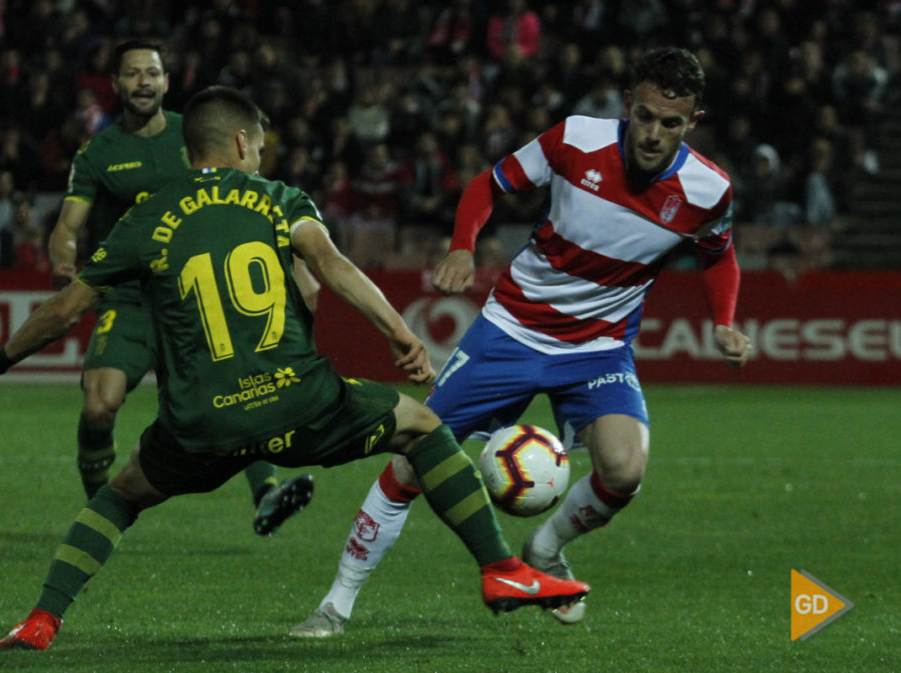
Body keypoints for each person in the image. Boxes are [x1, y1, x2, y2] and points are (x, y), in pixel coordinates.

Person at [0, 85, 590, 651]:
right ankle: (500, 565)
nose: (262, 155)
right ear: (242, 141)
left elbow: (64, 310)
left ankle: (40, 620)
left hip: (201, 423)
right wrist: (399, 333)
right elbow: (331, 266)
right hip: (299, 401)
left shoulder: (146, 217)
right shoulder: (274, 197)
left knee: (117, 496)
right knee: (421, 427)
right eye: (259, 145)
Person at [290, 46, 752, 637]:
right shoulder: (576, 139)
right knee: (410, 462)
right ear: (628, 105)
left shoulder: (707, 190)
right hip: (511, 329)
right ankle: (336, 604)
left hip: (599, 349)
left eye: (672, 123)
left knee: (625, 470)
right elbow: (489, 183)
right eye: (646, 116)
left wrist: (724, 319)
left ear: (693, 122)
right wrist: (462, 243)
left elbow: (720, 257)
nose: (654, 134)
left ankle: (546, 549)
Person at [46, 39, 314, 535]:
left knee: (238, 390)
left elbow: (245, 199)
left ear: (167, 82)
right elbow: (67, 226)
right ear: (116, 85)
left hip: (195, 292)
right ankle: (100, 503)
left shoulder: (192, 138)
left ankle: (267, 493)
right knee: (99, 403)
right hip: (131, 297)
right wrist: (63, 259)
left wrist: (291, 260)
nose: (143, 81)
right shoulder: (98, 153)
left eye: (152, 72)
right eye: (132, 73)